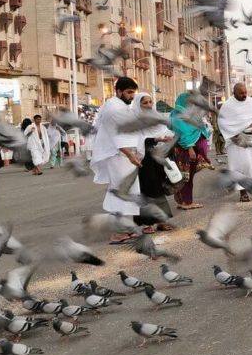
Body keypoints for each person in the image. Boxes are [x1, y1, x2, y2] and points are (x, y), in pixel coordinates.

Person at [89, 77, 145, 244]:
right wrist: (130, 154)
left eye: (133, 93)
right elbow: (116, 136)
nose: (131, 96)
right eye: (128, 92)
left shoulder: (121, 106)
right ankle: (117, 233)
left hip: (125, 155)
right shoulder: (113, 107)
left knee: (128, 192)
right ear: (118, 91)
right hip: (118, 155)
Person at [218, 83, 252, 202]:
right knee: (240, 167)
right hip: (237, 142)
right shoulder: (227, 106)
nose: (244, 95)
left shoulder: (251, 102)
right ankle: (243, 192)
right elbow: (223, 124)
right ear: (234, 93)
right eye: (241, 93)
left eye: (245, 92)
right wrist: (236, 135)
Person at [132, 92, 175, 228]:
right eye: (145, 103)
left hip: (157, 157)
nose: (149, 105)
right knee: (146, 190)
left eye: (150, 102)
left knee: (158, 189)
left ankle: (161, 221)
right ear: (138, 104)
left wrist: (166, 139)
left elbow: (164, 131)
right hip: (143, 160)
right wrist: (156, 139)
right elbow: (136, 141)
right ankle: (147, 223)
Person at [170, 92, 212, 210]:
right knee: (187, 177)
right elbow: (183, 133)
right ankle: (188, 202)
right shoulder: (179, 115)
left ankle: (183, 200)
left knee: (185, 176)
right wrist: (190, 148)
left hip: (187, 148)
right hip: (186, 149)